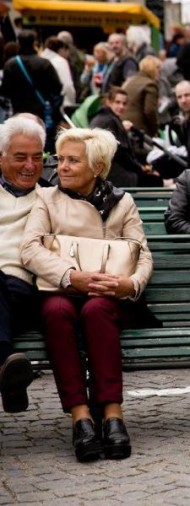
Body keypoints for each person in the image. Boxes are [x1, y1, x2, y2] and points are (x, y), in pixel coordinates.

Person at [20, 128, 156, 462]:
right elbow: (29, 249)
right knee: (55, 312)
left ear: (97, 167)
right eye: (60, 159)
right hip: (64, 288)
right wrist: (71, 276)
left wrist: (131, 285)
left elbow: (143, 253)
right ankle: (81, 417)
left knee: (97, 310)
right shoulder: (47, 199)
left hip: (110, 295)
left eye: (72, 161)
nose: (61, 167)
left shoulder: (122, 202)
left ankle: (112, 413)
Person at [0, 116, 46, 414]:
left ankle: (4, 364)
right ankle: (6, 372)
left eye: (38, 157)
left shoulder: (52, 198)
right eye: (20, 157)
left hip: (26, 290)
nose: (30, 165)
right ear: (1, 158)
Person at [0, 30, 63, 151]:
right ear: (35, 43)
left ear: (18, 43)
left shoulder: (10, 64)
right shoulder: (44, 63)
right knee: (43, 145)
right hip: (42, 114)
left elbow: (4, 92)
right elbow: (57, 88)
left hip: (18, 114)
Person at [89, 87, 159, 188]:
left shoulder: (101, 118)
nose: (121, 106)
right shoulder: (111, 121)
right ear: (109, 102)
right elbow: (122, 154)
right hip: (114, 177)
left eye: (124, 103)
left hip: (104, 174)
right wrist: (141, 169)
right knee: (156, 181)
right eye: (117, 102)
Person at [122, 55, 161, 138]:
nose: (159, 73)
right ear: (153, 69)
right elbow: (150, 110)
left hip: (123, 124)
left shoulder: (130, 81)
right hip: (138, 128)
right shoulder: (150, 84)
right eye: (158, 69)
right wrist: (154, 130)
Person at [39, 37, 75, 108]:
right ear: (61, 50)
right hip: (59, 104)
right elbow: (67, 85)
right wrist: (71, 102)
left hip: (41, 101)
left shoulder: (39, 59)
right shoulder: (60, 61)